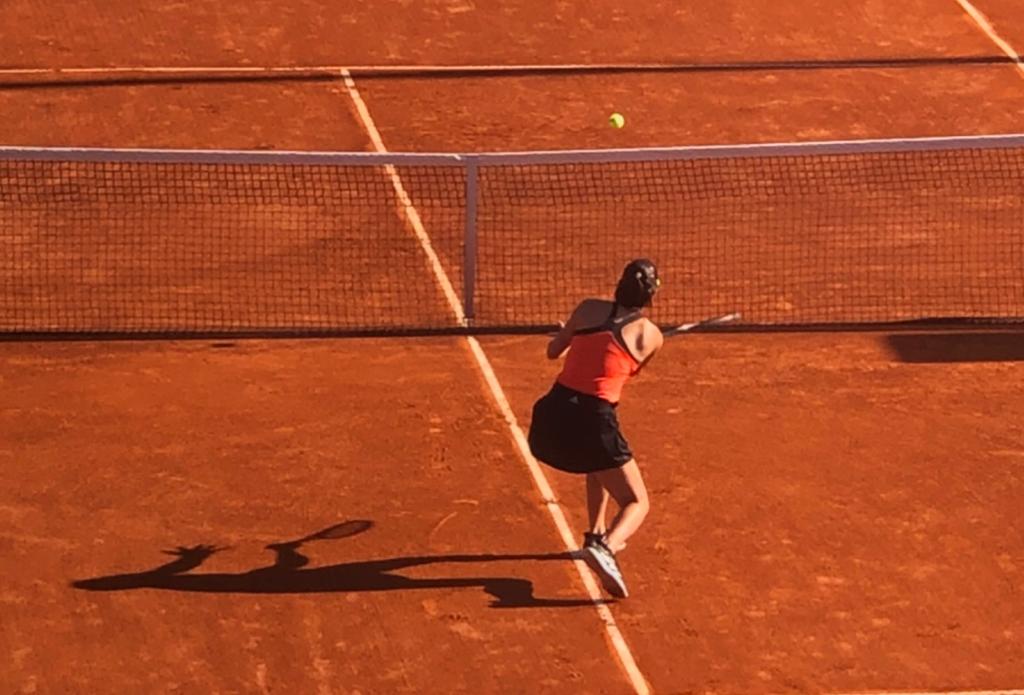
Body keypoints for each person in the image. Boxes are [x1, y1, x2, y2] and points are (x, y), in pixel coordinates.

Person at [528, 258, 664, 599]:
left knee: (598, 464)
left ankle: (595, 534)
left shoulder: (587, 309)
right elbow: (625, 371)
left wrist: (571, 333)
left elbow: (553, 351)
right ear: (650, 295)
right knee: (637, 501)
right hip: (594, 421)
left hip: (551, 418)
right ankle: (608, 547)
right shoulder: (651, 336)